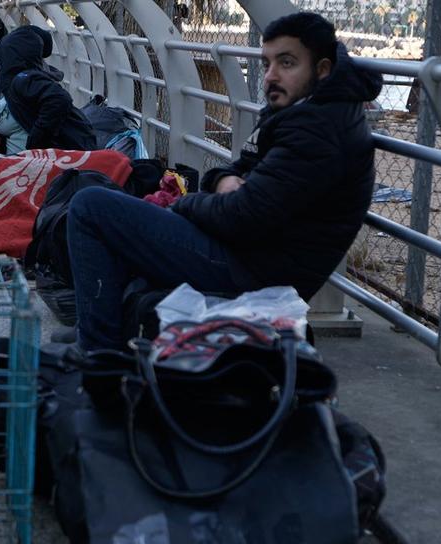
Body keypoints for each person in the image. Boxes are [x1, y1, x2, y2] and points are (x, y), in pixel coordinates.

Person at [65, 12, 382, 351]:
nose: (271, 76)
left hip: (253, 271)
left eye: (287, 63)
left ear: (322, 70)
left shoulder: (318, 131)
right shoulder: (300, 109)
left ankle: (97, 352)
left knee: (91, 207)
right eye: (268, 63)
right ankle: (100, 324)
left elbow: (242, 217)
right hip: (245, 254)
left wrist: (185, 204)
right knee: (112, 203)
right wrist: (222, 186)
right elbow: (226, 172)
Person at [0, 26, 93, 154]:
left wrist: (36, 143)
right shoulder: (12, 89)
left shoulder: (23, 80)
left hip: (61, 159)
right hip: (21, 162)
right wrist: (0, 141)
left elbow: (60, 100)